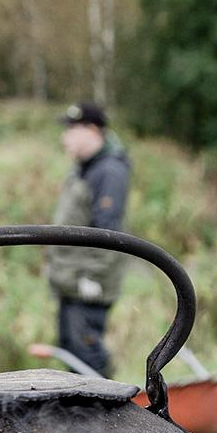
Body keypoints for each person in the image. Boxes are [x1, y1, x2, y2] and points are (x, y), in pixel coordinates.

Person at [46, 102, 131, 378]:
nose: (65, 137)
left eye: (72, 129)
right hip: (71, 283)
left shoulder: (109, 171)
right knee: (73, 356)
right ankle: (82, 418)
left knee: (88, 359)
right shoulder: (83, 169)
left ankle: (107, 418)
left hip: (88, 286)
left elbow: (109, 233)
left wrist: (91, 278)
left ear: (93, 130)